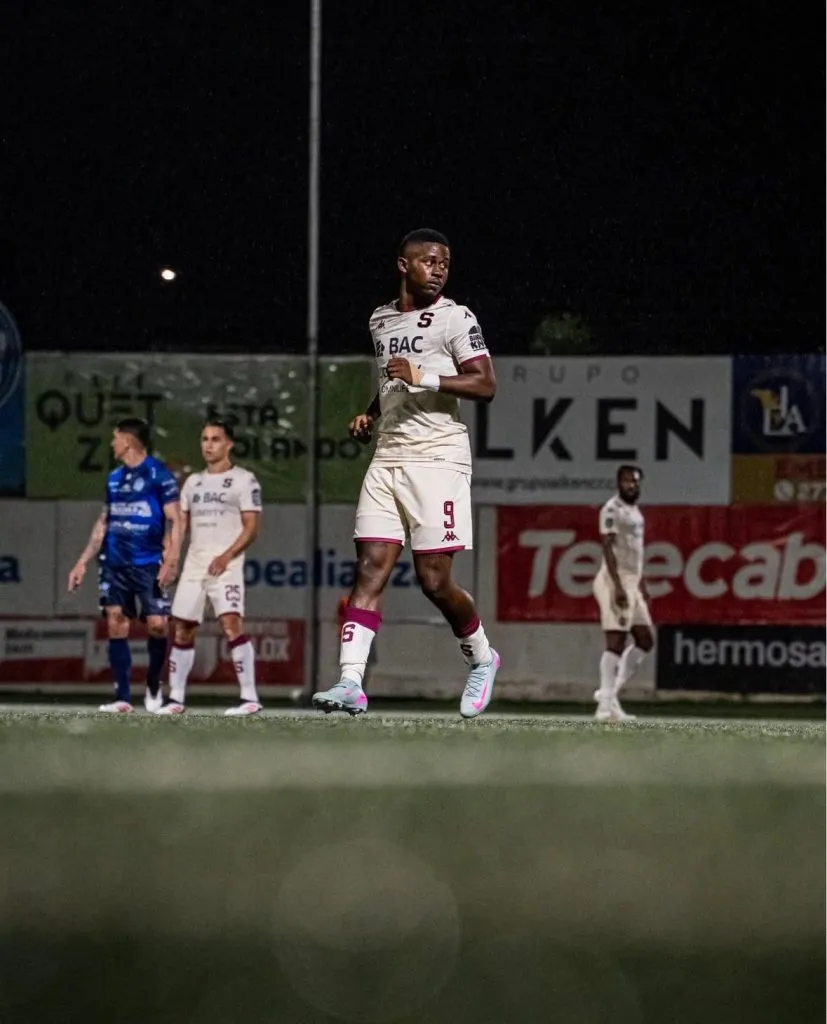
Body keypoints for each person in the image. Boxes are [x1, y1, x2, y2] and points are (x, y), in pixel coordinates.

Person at [313, 228, 500, 719]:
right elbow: (392, 376)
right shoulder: (379, 319)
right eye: (429, 261)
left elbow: (485, 384)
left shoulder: (456, 318)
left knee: (434, 581)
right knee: (370, 570)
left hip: (439, 457)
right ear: (403, 265)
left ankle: (482, 657)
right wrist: (372, 413)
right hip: (388, 455)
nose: (438, 269)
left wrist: (426, 377)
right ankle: (351, 682)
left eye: (445, 263)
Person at [67, 418, 183, 713]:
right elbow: (104, 522)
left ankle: (154, 685)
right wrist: (82, 562)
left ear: (128, 441)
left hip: (148, 564)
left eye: (115, 438)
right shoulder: (114, 478)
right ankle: (122, 696)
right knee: (116, 621)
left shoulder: (159, 475)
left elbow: (176, 519)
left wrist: (171, 559)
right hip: (114, 564)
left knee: (158, 625)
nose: (112, 443)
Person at [156, 418, 263, 716]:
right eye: (204, 439)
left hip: (225, 564)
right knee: (183, 629)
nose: (208, 445)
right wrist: (170, 557)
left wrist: (227, 556)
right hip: (195, 565)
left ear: (228, 444)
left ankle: (249, 698)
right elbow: (181, 525)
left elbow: (252, 528)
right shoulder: (193, 482)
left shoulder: (244, 480)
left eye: (215, 439)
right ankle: (176, 699)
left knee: (231, 624)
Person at [592, 465, 655, 722]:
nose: (632, 485)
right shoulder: (611, 510)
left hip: (632, 583)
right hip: (613, 580)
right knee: (616, 642)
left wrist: (642, 584)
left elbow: (635, 553)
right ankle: (604, 708)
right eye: (628, 481)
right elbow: (607, 547)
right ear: (619, 482)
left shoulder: (635, 512)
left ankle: (609, 694)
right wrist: (617, 585)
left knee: (645, 640)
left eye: (636, 481)